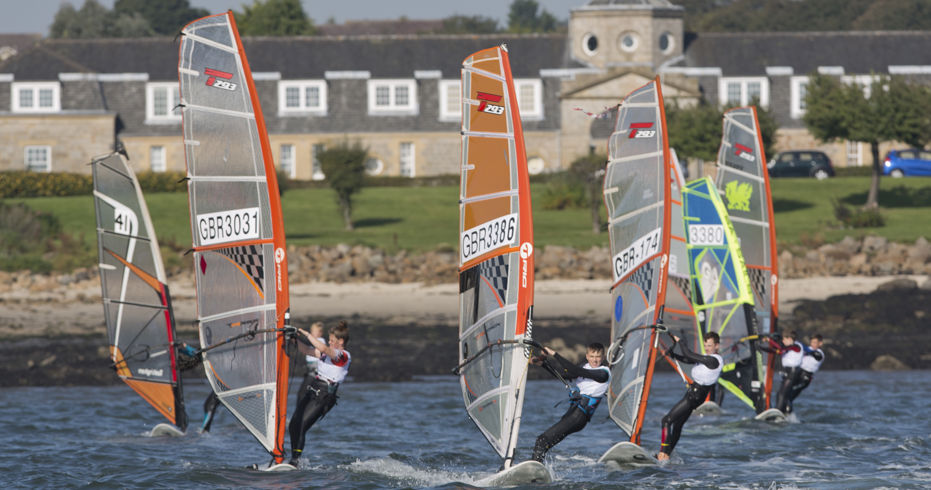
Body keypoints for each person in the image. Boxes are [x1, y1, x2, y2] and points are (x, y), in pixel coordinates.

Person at [531, 343, 610, 463]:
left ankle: (534, 471)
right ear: (587, 356)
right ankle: (538, 468)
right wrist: (543, 364)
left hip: (579, 416)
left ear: (603, 357)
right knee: (544, 443)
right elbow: (563, 375)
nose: (595, 359)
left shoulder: (603, 373)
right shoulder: (585, 368)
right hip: (572, 413)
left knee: (542, 440)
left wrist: (554, 354)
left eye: (598, 356)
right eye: (592, 356)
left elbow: (574, 369)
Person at [288, 321, 351, 466]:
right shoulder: (326, 354)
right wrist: (292, 338)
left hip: (325, 395)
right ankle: (293, 459)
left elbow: (322, 347)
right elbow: (305, 350)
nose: (329, 342)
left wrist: (307, 334)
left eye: (332, 340)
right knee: (293, 425)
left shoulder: (344, 355)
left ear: (341, 341)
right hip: (313, 388)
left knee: (302, 425)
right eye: (329, 339)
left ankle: (295, 461)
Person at [657, 332, 723, 462]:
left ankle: (663, 453)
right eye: (705, 345)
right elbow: (687, 359)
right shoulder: (706, 357)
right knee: (677, 425)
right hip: (695, 394)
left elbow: (689, 354)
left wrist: (680, 342)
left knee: (666, 420)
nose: (707, 348)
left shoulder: (714, 360)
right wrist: (673, 355)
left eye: (709, 345)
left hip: (694, 396)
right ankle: (667, 455)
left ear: (716, 346)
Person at [177, 342, 222, 433]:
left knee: (210, 405)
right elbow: (197, 354)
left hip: (223, 385)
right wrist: (181, 350)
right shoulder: (207, 355)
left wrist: (185, 346)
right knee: (207, 405)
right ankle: (205, 430)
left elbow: (197, 353)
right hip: (220, 385)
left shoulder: (215, 354)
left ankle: (205, 430)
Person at [760, 331, 803, 413]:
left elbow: (780, 349)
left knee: (781, 394)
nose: (783, 341)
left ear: (790, 339)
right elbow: (774, 351)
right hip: (788, 373)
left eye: (784, 340)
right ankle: (785, 412)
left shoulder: (796, 347)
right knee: (782, 394)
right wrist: (760, 348)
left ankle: (778, 412)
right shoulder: (788, 347)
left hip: (792, 373)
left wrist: (769, 340)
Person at [787, 334, 824, 408]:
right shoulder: (808, 349)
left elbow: (811, 352)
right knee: (786, 392)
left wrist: (799, 344)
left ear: (820, 343)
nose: (812, 344)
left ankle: (787, 408)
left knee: (793, 393)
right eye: (811, 342)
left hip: (805, 378)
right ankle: (785, 409)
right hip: (797, 373)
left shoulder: (820, 354)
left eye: (815, 342)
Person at [295, 322, 327, 404]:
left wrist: (296, 336)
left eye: (315, 331)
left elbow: (307, 342)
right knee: (305, 394)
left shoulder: (320, 341)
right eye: (312, 331)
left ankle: (300, 414)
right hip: (310, 371)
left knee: (302, 394)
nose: (312, 333)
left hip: (315, 372)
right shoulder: (312, 341)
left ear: (320, 333)